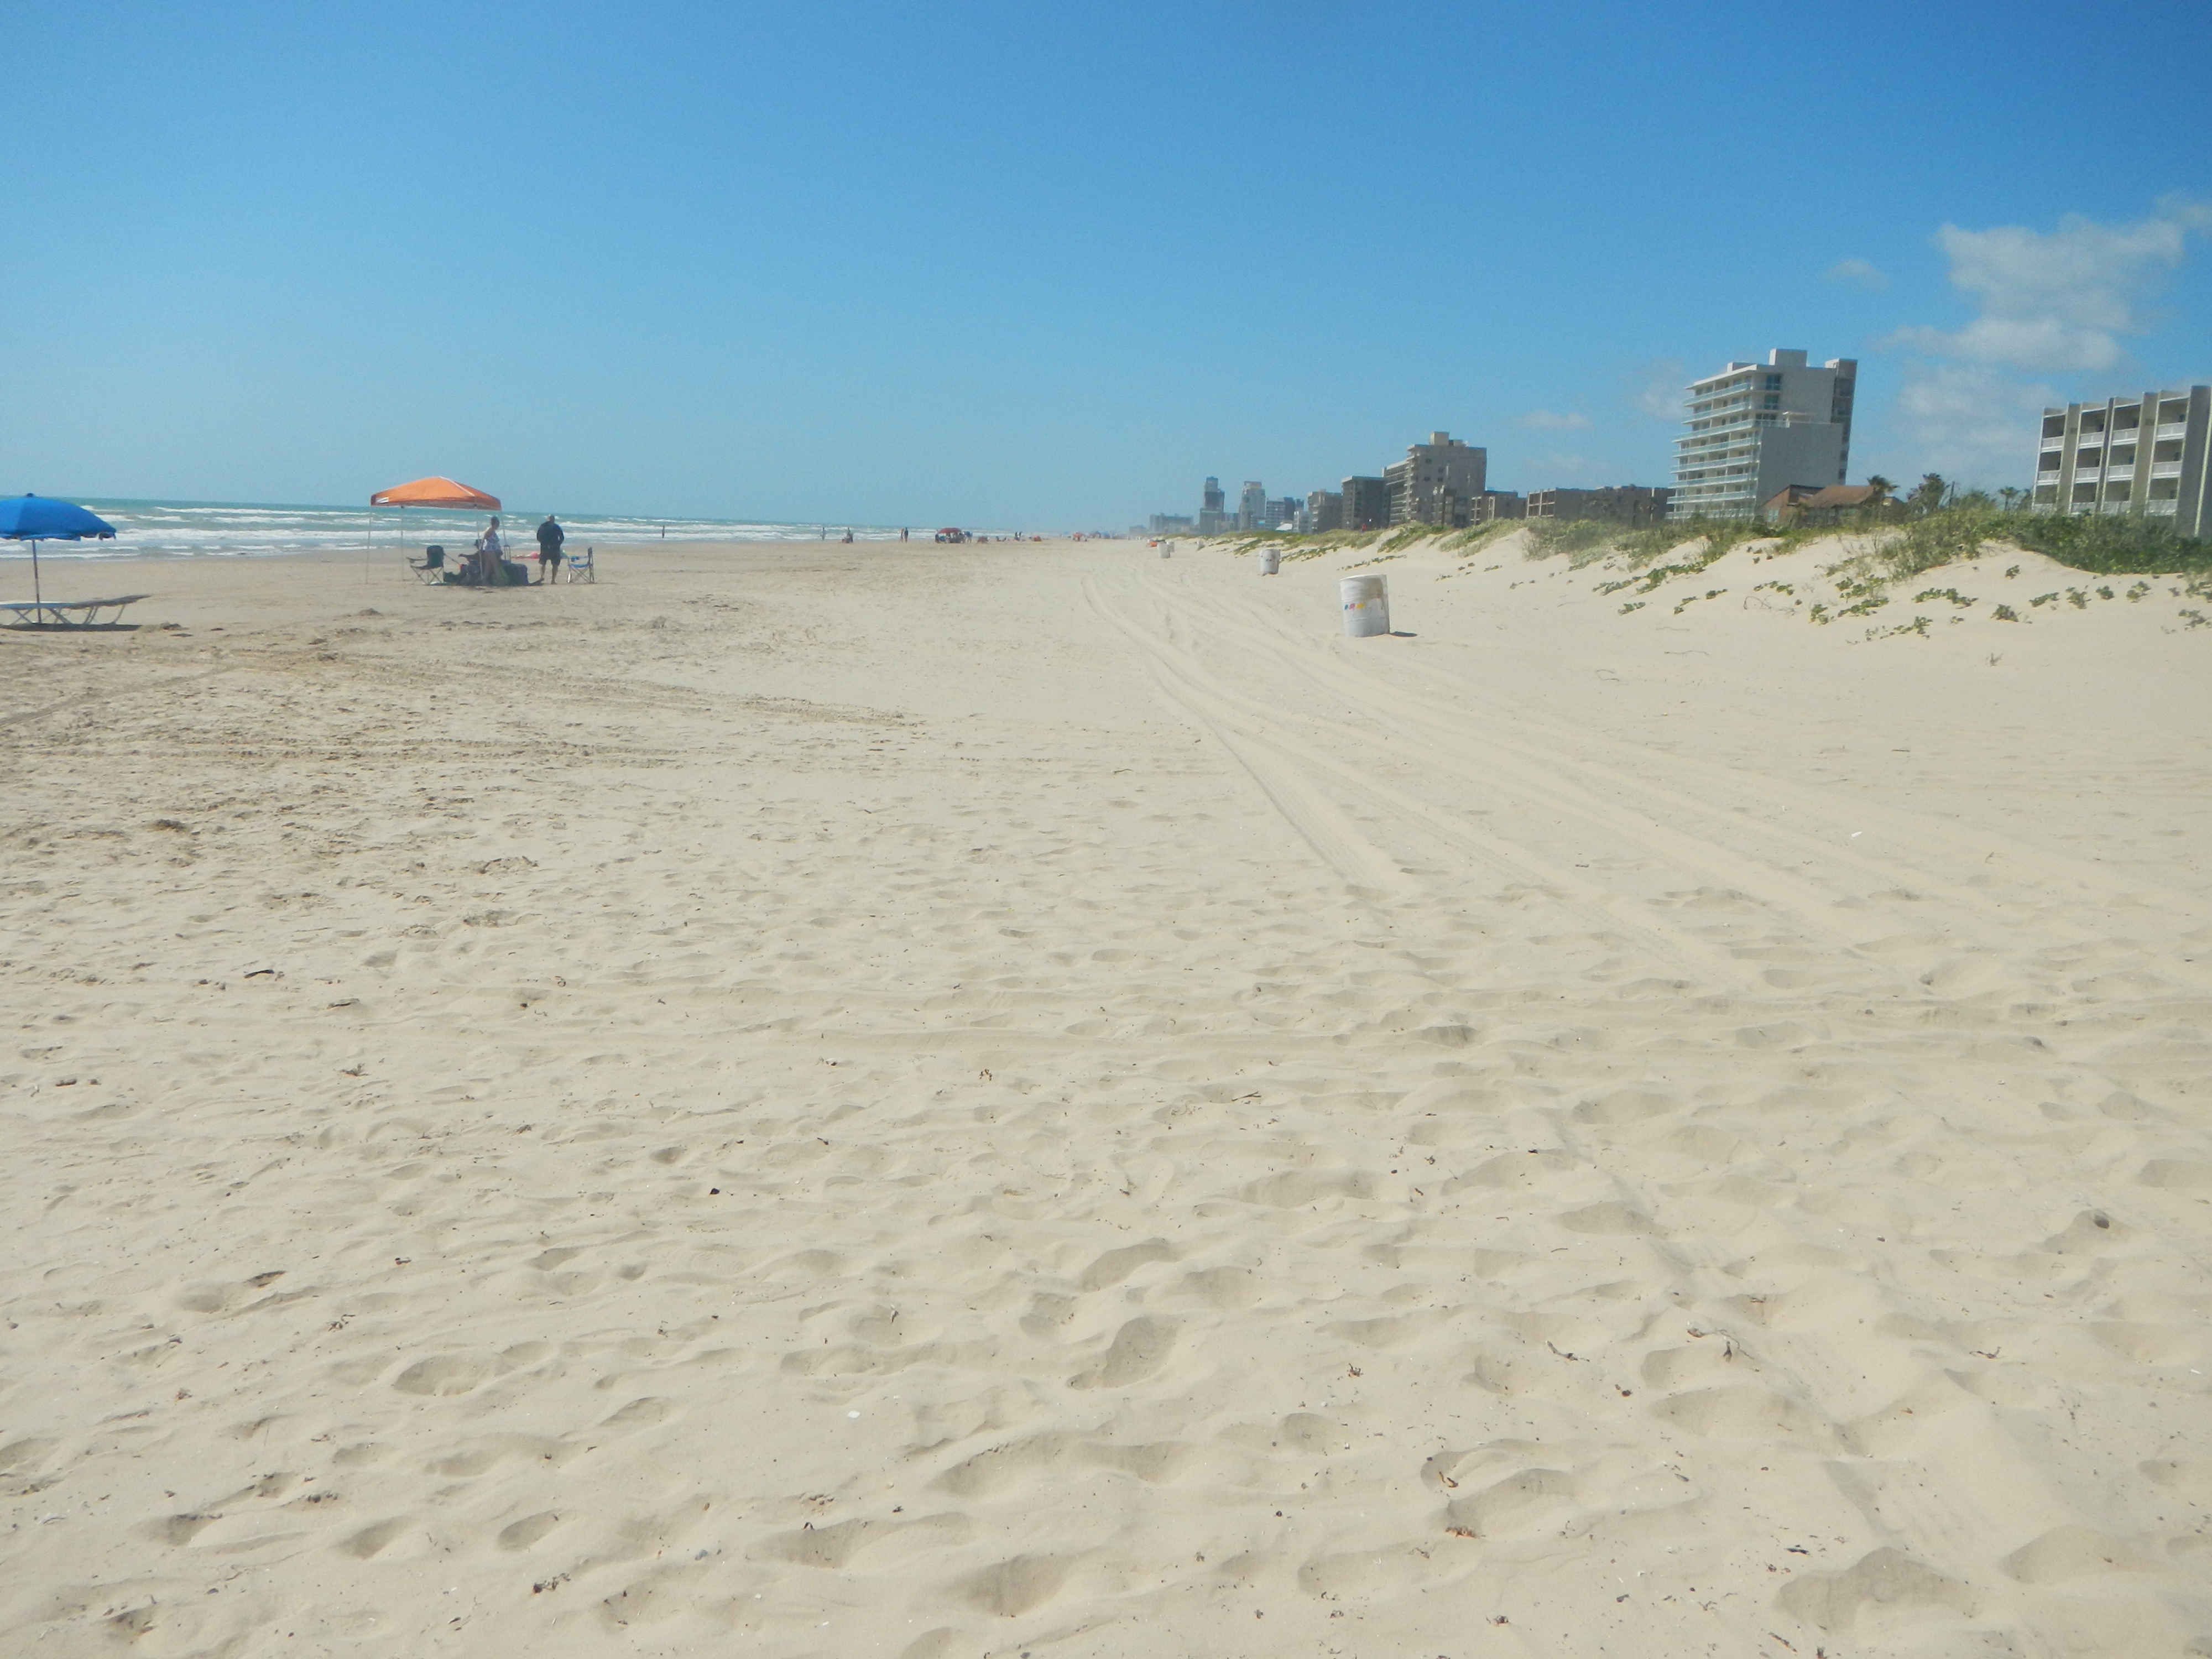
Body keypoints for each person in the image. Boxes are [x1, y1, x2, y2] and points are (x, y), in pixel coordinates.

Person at [474, 516, 505, 585]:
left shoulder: (492, 530)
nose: (498, 525)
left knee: (488, 566)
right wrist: (481, 548)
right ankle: (500, 581)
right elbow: (484, 539)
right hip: (489, 549)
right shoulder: (490, 530)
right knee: (496, 565)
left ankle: (484, 581)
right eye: (498, 524)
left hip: (490, 549)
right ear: (495, 523)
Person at [536, 514, 565, 582]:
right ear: (553, 520)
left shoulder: (543, 526)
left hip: (545, 547)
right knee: (555, 564)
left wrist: (543, 543)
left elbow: (538, 537)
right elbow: (562, 537)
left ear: (548, 519)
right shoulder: (556, 527)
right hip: (555, 547)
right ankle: (553, 580)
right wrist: (558, 544)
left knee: (542, 563)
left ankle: (542, 577)